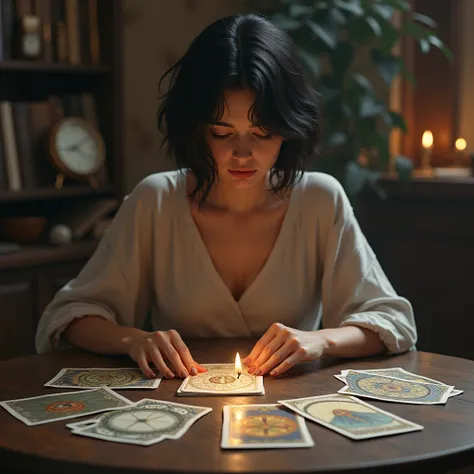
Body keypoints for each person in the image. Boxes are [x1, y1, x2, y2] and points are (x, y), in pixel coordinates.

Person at [35, 13, 417, 380]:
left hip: (291, 407)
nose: (242, 154)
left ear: (289, 129)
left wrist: (319, 340)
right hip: (182, 408)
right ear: (197, 130)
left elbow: (392, 320)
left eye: (262, 133)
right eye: (222, 133)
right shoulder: (156, 201)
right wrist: (134, 340)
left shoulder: (319, 199)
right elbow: (69, 315)